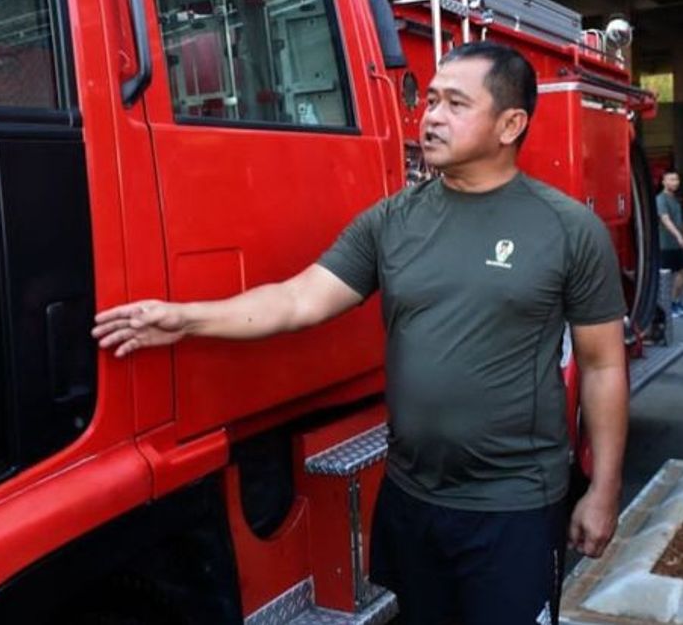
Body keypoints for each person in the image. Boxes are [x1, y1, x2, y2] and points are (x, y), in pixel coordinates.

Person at [91, 42, 629, 625]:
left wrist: (603, 488)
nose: (430, 117)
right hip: (412, 497)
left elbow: (603, 365)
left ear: (510, 124)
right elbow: (300, 299)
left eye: (454, 103)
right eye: (429, 100)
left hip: (514, 505)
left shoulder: (567, 229)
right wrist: (187, 317)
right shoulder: (394, 220)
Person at [657, 171, 683, 317]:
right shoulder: (661, 199)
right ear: (663, 182)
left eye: (676, 179)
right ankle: (665, 307)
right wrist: (679, 237)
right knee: (665, 277)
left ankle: (674, 301)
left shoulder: (676, 199)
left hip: (677, 244)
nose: (675, 182)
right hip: (665, 243)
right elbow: (665, 220)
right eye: (671, 179)